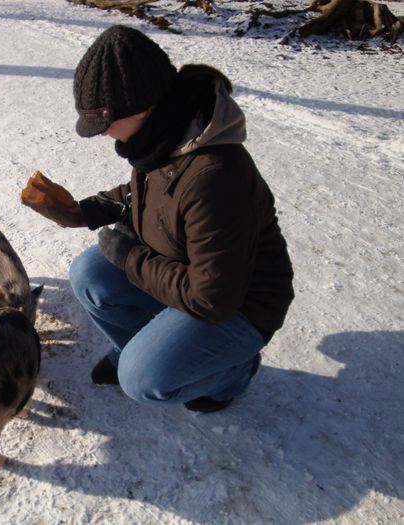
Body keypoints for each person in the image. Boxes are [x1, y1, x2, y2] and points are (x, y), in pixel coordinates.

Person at [23, 25, 294, 413]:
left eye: (104, 123)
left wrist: (130, 258)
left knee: (143, 379)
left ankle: (235, 371)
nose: (101, 135)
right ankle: (134, 346)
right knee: (90, 272)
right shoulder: (164, 135)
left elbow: (211, 298)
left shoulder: (214, 175)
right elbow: (148, 193)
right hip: (187, 270)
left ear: (141, 108)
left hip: (239, 304)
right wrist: (86, 212)